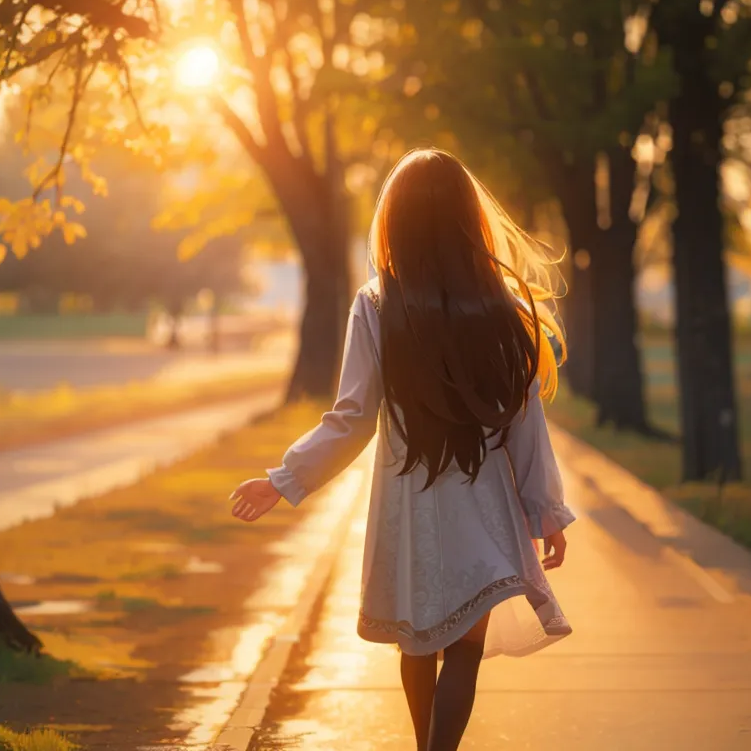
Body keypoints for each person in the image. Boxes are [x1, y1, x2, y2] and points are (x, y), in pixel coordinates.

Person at [229, 147, 575, 750]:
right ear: (470, 220)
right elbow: (528, 425)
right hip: (486, 512)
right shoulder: (504, 310)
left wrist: (283, 480)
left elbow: (351, 417)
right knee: (464, 652)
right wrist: (545, 513)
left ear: (397, 222)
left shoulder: (377, 305)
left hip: (410, 507)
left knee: (417, 645)